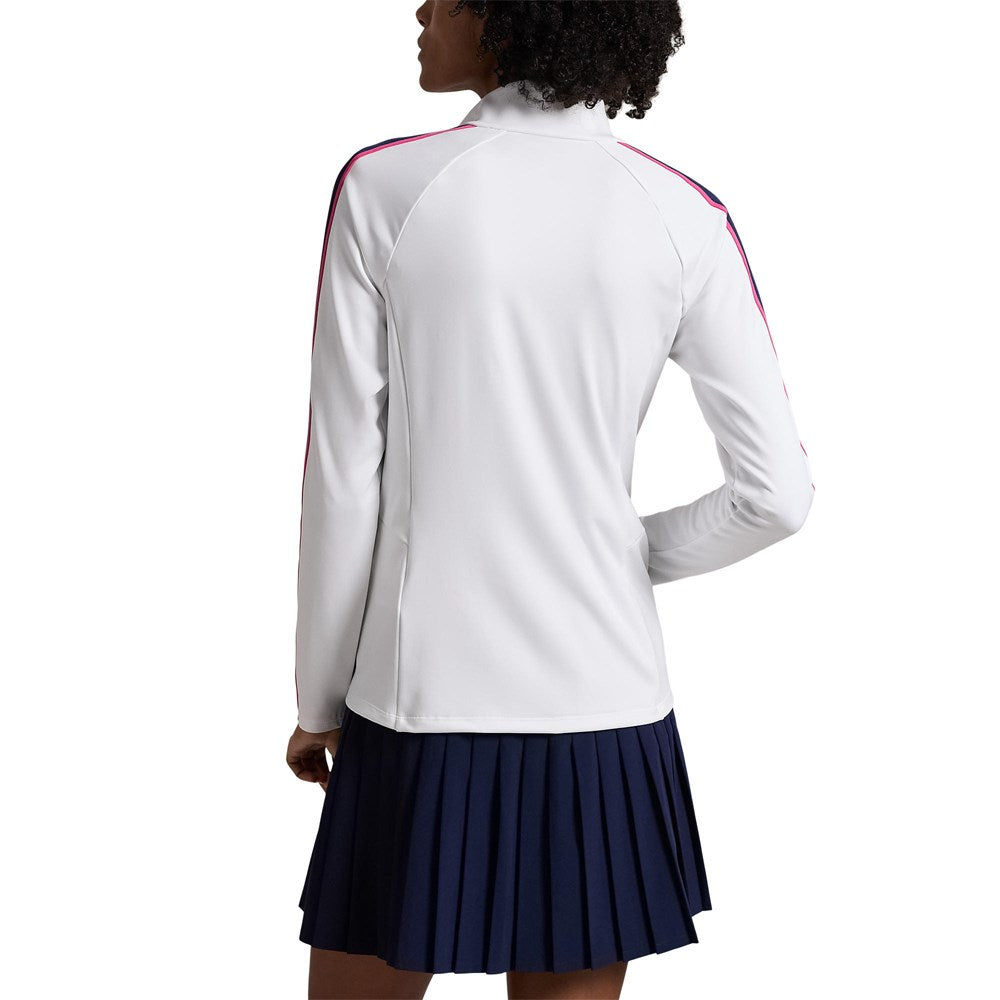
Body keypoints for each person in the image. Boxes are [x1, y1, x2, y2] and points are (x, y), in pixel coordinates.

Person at [286, 2, 815, 998]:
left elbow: (343, 478)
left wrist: (318, 697)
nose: (420, 8)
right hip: (605, 703)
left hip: (416, 696)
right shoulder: (682, 213)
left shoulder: (387, 188)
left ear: (507, 10)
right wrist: (616, 549)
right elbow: (777, 495)